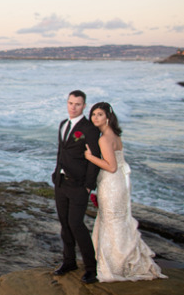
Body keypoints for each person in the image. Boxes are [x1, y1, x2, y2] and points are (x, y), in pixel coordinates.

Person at [84, 102, 166, 282]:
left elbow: (111, 166)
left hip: (111, 183)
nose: (95, 118)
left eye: (99, 114)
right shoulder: (114, 135)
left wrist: (91, 158)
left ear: (108, 117)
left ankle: (115, 265)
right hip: (120, 182)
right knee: (118, 220)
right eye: (93, 114)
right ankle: (124, 259)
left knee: (111, 220)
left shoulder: (104, 139)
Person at [52, 90, 101, 284]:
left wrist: (89, 186)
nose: (73, 107)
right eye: (70, 103)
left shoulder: (89, 129)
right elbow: (61, 152)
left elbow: (95, 158)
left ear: (84, 106)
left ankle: (91, 268)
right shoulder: (63, 124)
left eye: (77, 104)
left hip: (79, 185)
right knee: (64, 224)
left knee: (77, 225)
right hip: (61, 183)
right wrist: (56, 175)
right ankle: (69, 261)